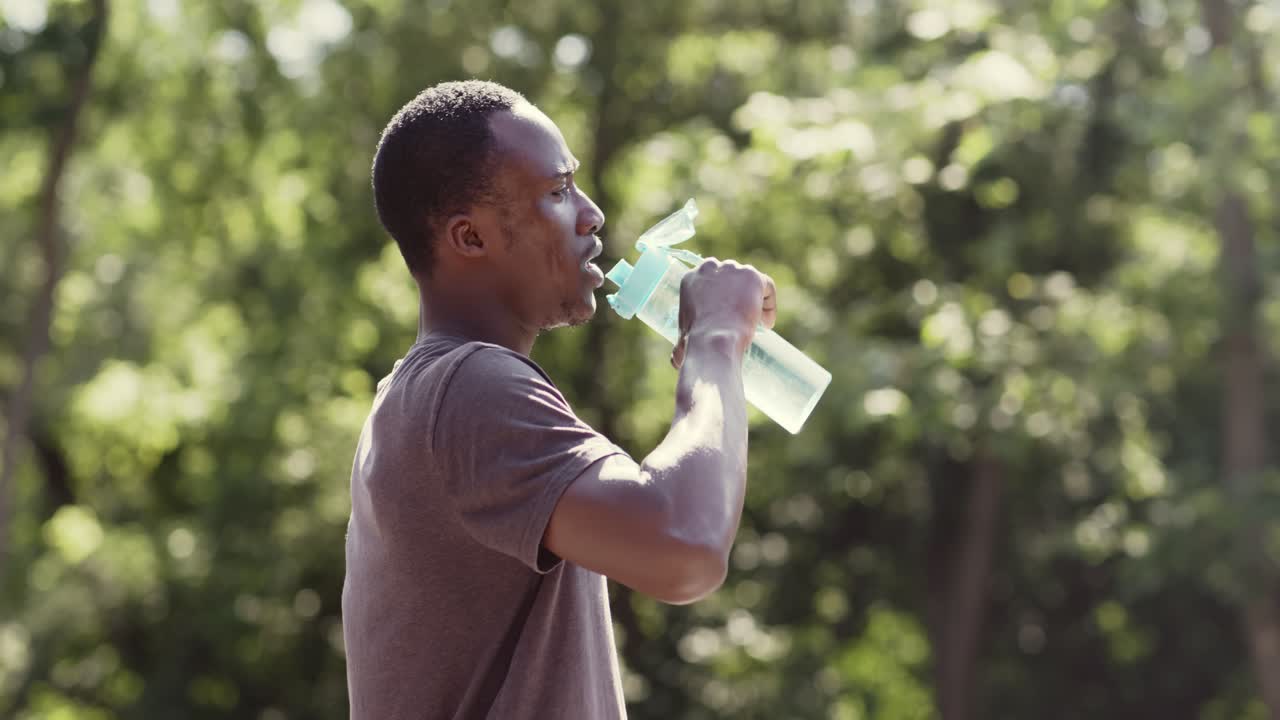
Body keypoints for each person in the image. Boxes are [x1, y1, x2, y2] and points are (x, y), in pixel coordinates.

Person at [341, 79, 777, 720]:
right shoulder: (468, 388)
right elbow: (686, 546)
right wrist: (715, 340)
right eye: (557, 190)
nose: (591, 214)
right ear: (470, 237)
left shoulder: (423, 396)